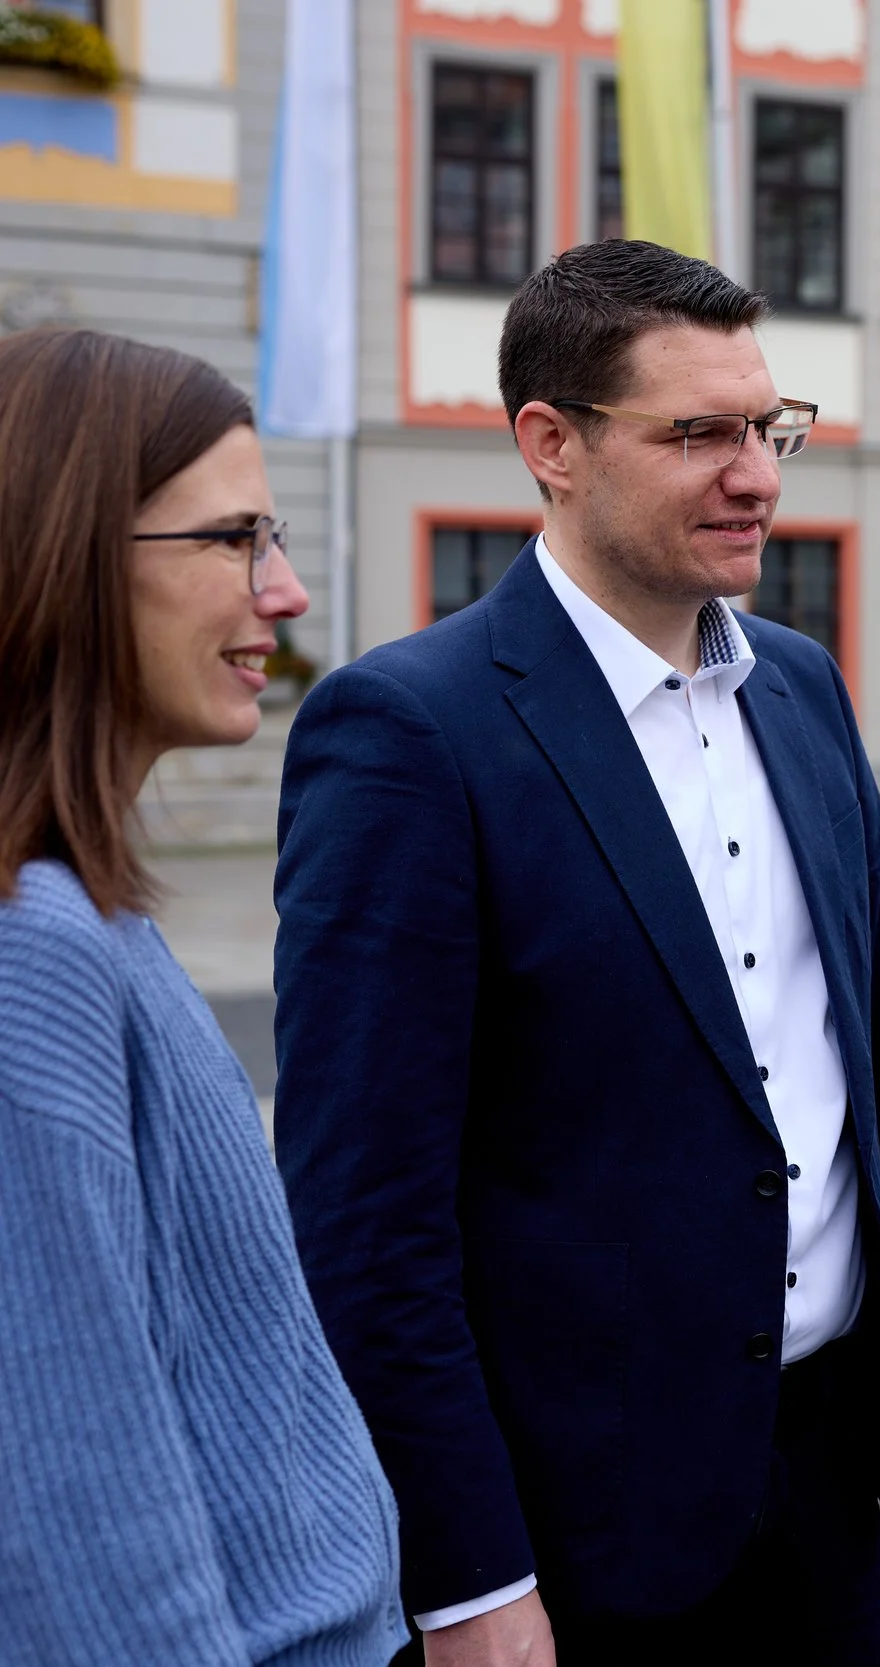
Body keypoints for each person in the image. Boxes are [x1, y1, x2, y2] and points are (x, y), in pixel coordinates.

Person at [274, 240, 880, 1667]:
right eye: (699, 434)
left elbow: (874, 1081)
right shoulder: (410, 732)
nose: (757, 476)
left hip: (827, 1486)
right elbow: (366, 1215)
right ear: (553, 445)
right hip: (575, 1523)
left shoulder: (807, 691)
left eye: (769, 429)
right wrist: (464, 1572)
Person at [0, 329, 402, 1666]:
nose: (284, 590)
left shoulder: (88, 910)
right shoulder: (33, 949)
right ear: (64, 552)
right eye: (233, 539)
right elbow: (77, 1520)